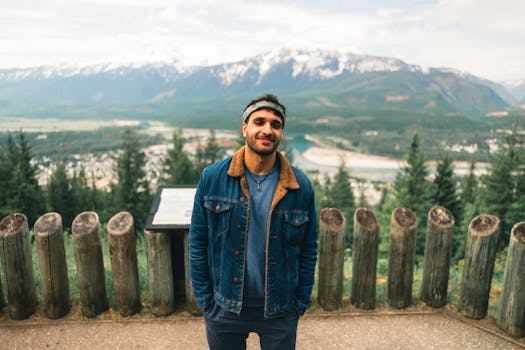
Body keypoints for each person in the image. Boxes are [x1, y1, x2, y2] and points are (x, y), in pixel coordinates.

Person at [189, 94, 318, 349]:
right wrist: (205, 300)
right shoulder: (213, 178)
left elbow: (308, 250)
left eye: (276, 124)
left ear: (281, 132)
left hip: (279, 309)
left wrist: (299, 304)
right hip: (224, 305)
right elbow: (198, 242)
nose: (267, 130)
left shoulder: (300, 187)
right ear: (245, 128)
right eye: (259, 121)